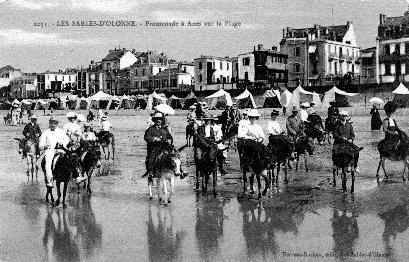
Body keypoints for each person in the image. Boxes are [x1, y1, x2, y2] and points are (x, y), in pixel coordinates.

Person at [39, 117, 70, 187]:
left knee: (71, 158)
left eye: (55, 123)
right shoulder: (46, 133)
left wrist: (63, 144)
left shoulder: (61, 131)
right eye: (52, 123)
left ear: (57, 124)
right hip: (50, 151)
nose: (53, 125)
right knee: (48, 162)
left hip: (60, 149)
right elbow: (41, 145)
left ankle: (76, 175)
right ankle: (50, 180)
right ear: (49, 123)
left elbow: (67, 139)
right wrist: (45, 146)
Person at [143, 112, 173, 178]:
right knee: (151, 159)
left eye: (160, 119)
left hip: (164, 147)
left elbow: (170, 137)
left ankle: (178, 171)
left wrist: (169, 140)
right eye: (156, 119)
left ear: (162, 120)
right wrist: (154, 138)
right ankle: (151, 172)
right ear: (154, 120)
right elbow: (146, 137)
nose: (158, 120)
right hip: (154, 148)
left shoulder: (164, 129)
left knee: (173, 157)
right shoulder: (150, 129)